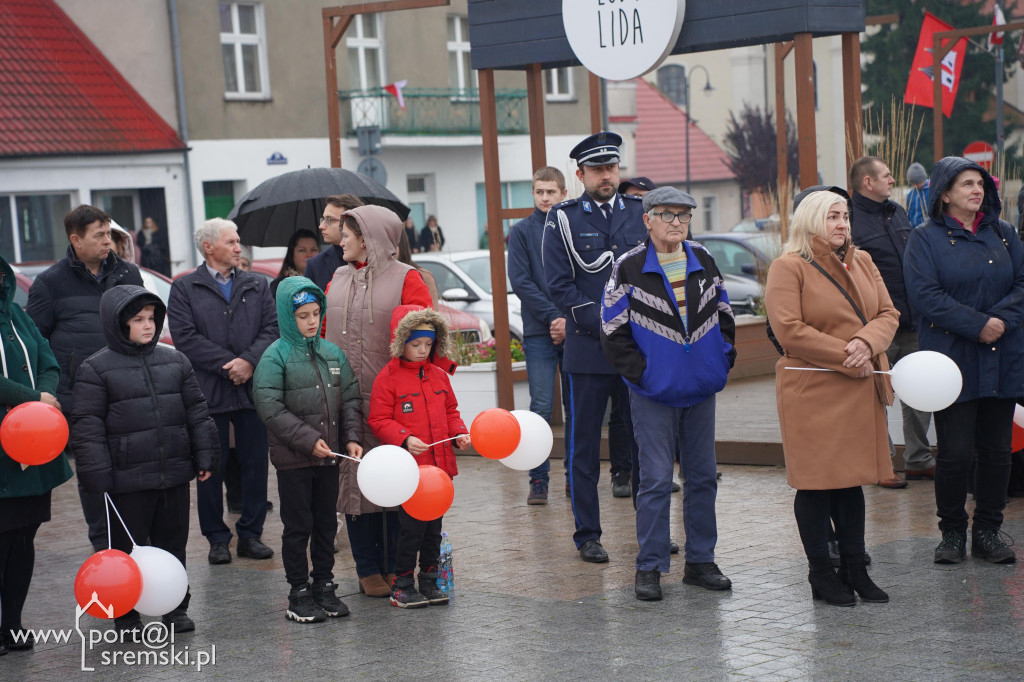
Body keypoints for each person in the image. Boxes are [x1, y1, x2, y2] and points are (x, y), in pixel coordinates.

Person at [601, 187, 735, 600]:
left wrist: (721, 359)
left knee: (702, 478)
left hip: (701, 390)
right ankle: (650, 566)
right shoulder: (629, 267)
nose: (676, 222)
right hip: (653, 393)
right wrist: (643, 375)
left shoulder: (704, 258)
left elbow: (725, 313)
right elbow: (611, 329)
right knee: (656, 481)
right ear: (647, 220)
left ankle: (700, 561)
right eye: (667, 214)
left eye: (684, 215)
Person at [765, 190, 898, 607]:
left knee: (851, 482)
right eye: (832, 217)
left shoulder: (863, 260)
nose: (842, 224)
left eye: (845, 217)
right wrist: (848, 353)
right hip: (814, 390)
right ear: (810, 222)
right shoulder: (787, 268)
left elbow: (888, 314)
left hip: (859, 384)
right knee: (817, 485)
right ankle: (821, 574)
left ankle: (855, 570)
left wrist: (864, 341)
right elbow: (789, 330)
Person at [71, 286, 219, 633]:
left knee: (173, 545)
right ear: (118, 324)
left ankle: (175, 607)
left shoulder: (175, 360)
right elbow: (87, 427)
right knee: (126, 550)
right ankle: (124, 611)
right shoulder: (96, 369)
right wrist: (97, 476)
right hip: (126, 481)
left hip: (172, 474)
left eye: (151, 318)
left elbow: (197, 412)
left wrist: (205, 454)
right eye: (138, 320)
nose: (148, 325)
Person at [904, 156, 1024, 566]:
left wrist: (999, 323)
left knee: (997, 451)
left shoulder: (1004, 233)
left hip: (1002, 354)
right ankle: (952, 533)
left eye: (980, 184)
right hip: (952, 361)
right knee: (954, 452)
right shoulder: (924, 238)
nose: (977, 190)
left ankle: (988, 530)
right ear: (945, 193)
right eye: (967, 184)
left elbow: (1023, 284)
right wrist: (978, 325)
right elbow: (926, 296)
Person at [542, 131, 645, 563]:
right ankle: (587, 534)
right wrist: (599, 321)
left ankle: (651, 527)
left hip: (639, 346)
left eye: (612, 168)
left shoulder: (641, 212)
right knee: (584, 446)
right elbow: (558, 281)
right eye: (598, 170)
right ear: (580, 174)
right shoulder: (564, 218)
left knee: (644, 442)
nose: (607, 176)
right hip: (589, 347)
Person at [323, 205, 433, 597]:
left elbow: (424, 339)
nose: (342, 237)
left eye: (349, 231)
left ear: (370, 237)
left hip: (393, 402)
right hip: (345, 400)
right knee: (354, 480)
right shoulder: (335, 278)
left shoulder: (408, 279)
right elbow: (321, 335)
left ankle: (394, 565)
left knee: (393, 478)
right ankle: (367, 568)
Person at [26, 204, 143, 552]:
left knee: (132, 469)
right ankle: (104, 546)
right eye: (99, 235)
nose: (108, 241)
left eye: (109, 233)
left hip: (128, 392)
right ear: (76, 240)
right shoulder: (49, 283)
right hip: (80, 398)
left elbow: (143, 328)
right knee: (94, 474)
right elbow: (36, 344)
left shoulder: (128, 275)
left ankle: (138, 540)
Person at [167, 218, 279, 565]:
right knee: (210, 467)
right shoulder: (185, 288)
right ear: (208, 247)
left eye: (238, 241)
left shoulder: (257, 285)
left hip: (251, 391)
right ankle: (217, 538)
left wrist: (248, 362)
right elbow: (185, 338)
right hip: (208, 393)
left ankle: (251, 535)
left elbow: (272, 329)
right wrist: (230, 364)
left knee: (256, 464)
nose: (237, 248)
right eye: (231, 242)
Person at [253, 277, 364, 623]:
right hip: (294, 462)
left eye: (316, 313)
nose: (312, 321)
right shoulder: (275, 358)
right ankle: (298, 591)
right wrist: (305, 440)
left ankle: (324, 584)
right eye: (303, 315)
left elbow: (349, 398)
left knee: (325, 525)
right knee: (298, 525)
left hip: (329, 458)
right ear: (289, 317)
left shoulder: (333, 353)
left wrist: (352, 436)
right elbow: (269, 406)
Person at [368, 305, 469, 608]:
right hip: (411, 472)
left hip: (439, 472)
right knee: (410, 530)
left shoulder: (439, 376)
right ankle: (401, 584)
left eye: (428, 344)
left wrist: (460, 432)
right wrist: (404, 438)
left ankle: (429, 581)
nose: (423, 350)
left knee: (433, 531)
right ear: (401, 343)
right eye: (416, 344)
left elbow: (451, 412)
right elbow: (379, 420)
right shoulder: (389, 378)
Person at [0, 255, 72, 654]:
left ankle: (13, 623)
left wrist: (43, 400)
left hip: (33, 443)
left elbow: (48, 361)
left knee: (23, 537)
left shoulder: (16, 314)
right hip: (2, 451)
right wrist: (33, 399)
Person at [848, 156, 934, 489]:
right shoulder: (850, 219)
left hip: (911, 320)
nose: (891, 179)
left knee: (920, 390)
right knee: (873, 396)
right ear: (868, 183)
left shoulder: (898, 212)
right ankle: (882, 464)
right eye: (885, 175)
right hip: (874, 326)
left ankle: (918, 460)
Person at [508, 166, 572, 505]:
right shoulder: (520, 233)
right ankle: (538, 480)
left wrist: (568, 320)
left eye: (551, 191)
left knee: (577, 408)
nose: (545, 197)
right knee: (541, 409)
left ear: (563, 193)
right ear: (533, 194)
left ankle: (575, 478)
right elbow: (521, 283)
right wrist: (554, 317)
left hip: (575, 331)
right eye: (539, 192)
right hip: (539, 333)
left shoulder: (573, 228)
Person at [304, 194, 364, 291]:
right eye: (323, 219)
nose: (321, 226)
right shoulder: (315, 264)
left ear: (352, 221)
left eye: (329, 220)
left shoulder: (376, 260)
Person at [271, 229, 321, 297]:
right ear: (292, 255)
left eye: (313, 250)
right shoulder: (280, 285)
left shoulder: (327, 279)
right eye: (302, 250)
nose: (309, 255)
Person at [905, 162, 930, 228]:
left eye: (917, 183)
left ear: (923, 179)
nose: (915, 186)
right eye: (912, 183)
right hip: (914, 229)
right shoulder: (910, 194)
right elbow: (909, 212)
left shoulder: (931, 191)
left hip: (927, 230)